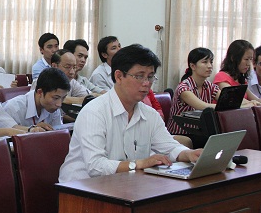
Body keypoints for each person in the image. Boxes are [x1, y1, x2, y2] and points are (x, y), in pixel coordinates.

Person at [59, 44, 202, 182]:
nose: (146, 83)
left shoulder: (150, 115)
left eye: (150, 77)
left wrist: (189, 154)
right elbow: (96, 166)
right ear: (119, 76)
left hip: (125, 185)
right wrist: (138, 164)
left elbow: (169, 147)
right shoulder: (94, 112)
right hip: (81, 188)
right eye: (139, 76)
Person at [165, 47, 225, 148]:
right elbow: (203, 106)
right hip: (182, 133)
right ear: (193, 66)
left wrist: (250, 103)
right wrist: (229, 105)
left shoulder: (209, 85)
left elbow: (226, 99)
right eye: (205, 62)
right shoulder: (184, 88)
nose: (210, 66)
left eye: (211, 62)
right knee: (216, 141)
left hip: (200, 131)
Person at [3, 67, 70, 132]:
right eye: (55, 98)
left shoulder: (54, 108)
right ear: (40, 92)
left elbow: (57, 134)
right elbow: (6, 135)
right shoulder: (14, 109)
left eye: (63, 98)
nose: (59, 104)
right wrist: (32, 130)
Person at [214, 39, 261, 104]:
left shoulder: (241, 79)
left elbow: (257, 100)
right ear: (233, 58)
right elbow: (234, 98)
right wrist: (251, 103)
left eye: (251, 59)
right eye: (246, 59)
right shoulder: (221, 76)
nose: (249, 64)